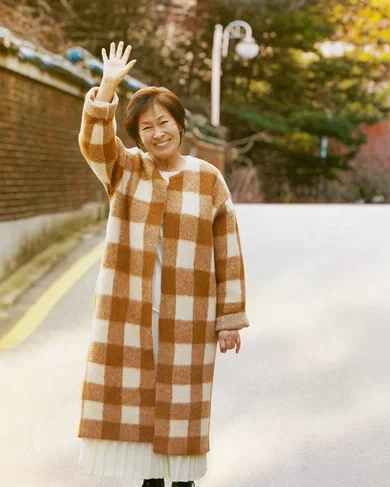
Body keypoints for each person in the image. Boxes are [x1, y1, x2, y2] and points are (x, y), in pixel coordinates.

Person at [76, 42, 249, 487]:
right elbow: (95, 145)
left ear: (180, 125)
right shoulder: (126, 170)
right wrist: (107, 87)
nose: (157, 133)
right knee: (133, 404)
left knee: (182, 407)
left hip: (189, 315)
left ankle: (183, 480)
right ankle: (149, 481)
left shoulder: (208, 178)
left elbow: (228, 251)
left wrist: (230, 318)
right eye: (146, 128)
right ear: (137, 136)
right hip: (130, 312)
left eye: (164, 123)